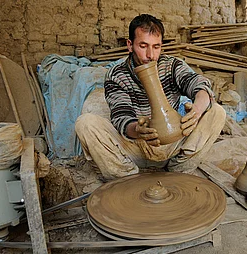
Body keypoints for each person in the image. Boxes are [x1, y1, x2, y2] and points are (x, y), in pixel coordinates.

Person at [75, 14, 226, 180]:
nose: (150, 55)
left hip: (171, 143)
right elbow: (121, 118)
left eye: (156, 47)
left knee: (217, 112)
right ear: (130, 45)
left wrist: (197, 110)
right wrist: (138, 130)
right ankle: (127, 177)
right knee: (85, 123)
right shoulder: (117, 75)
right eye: (143, 46)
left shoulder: (171, 65)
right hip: (135, 146)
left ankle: (180, 171)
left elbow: (198, 84)